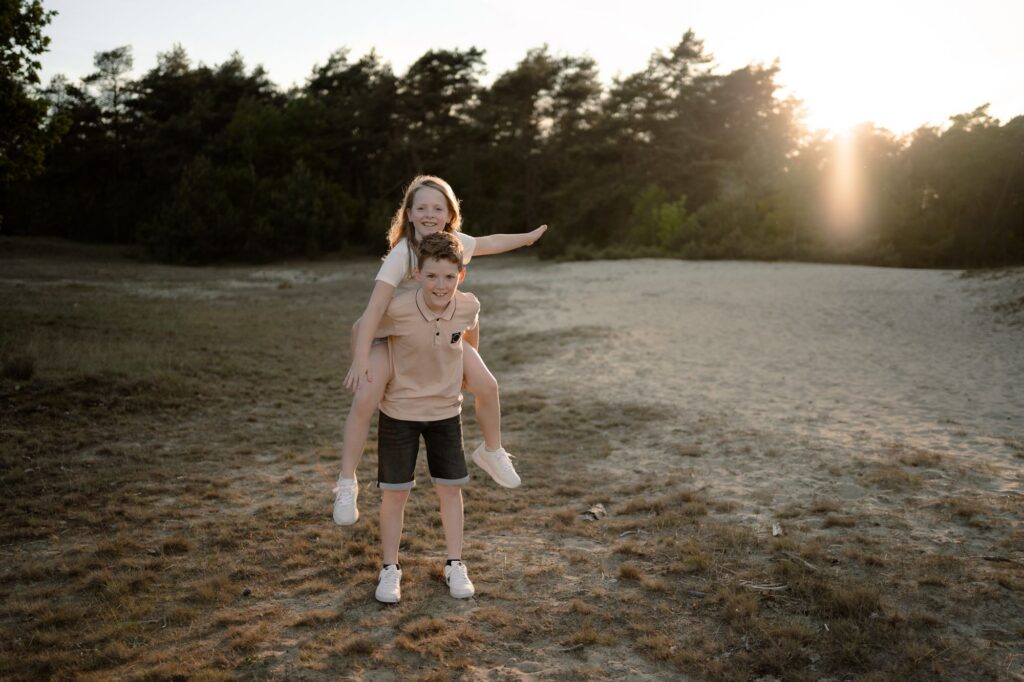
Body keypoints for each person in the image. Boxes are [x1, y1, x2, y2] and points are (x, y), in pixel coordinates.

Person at [333, 175, 546, 525]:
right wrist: (359, 358)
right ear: (410, 214)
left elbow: (490, 241)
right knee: (365, 397)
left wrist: (527, 239)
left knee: (488, 386)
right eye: (421, 208)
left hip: (435, 334)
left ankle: (491, 451)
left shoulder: (453, 242)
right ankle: (346, 482)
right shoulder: (402, 253)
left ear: (449, 213)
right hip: (389, 336)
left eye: (437, 207)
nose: (429, 214)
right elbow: (373, 312)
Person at [372, 232, 482, 602]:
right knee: (395, 495)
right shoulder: (397, 309)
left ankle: (455, 563)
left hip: (446, 413)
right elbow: (364, 331)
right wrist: (372, 372)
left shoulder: (468, 306)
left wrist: (465, 374)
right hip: (399, 413)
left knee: (451, 490)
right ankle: (390, 568)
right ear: (417, 274)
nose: (441, 285)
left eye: (450, 277)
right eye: (432, 276)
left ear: (461, 277)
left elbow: (470, 340)